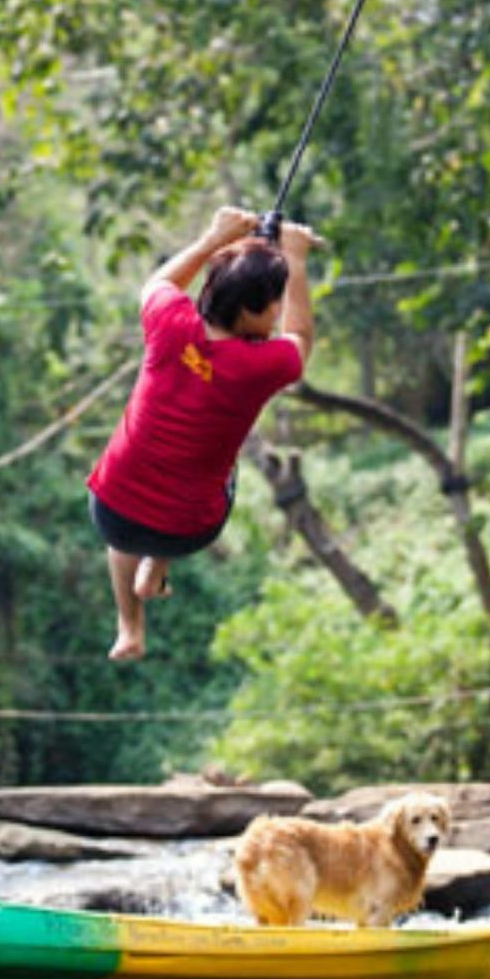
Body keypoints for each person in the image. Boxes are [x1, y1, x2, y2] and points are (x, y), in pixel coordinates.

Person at [87, 206, 319, 660]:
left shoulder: (170, 326)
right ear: (254, 312)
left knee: (124, 539)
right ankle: (156, 568)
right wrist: (296, 261)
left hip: (113, 513)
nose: (278, 311)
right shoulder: (261, 366)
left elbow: (157, 285)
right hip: (189, 530)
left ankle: (129, 627)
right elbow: (301, 339)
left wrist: (212, 240)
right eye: (275, 301)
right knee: (217, 464)